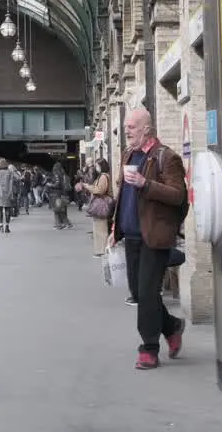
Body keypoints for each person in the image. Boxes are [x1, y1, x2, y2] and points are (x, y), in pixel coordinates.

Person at [109, 107, 187, 370]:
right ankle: (172, 326)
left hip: (153, 238)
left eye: (131, 126)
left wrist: (146, 184)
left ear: (146, 129)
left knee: (148, 292)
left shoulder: (167, 157)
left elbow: (178, 195)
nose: (127, 131)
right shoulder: (128, 155)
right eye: (126, 127)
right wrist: (114, 228)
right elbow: (123, 197)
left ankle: (149, 349)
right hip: (130, 236)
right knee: (141, 294)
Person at [78, 157, 112, 257]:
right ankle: (100, 250)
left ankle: (102, 250)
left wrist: (87, 186)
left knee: (100, 229)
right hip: (101, 203)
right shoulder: (103, 176)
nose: (96, 167)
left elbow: (99, 190)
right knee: (99, 228)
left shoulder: (103, 177)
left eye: (97, 165)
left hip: (101, 204)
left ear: (102, 166)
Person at [0, 158, 17, 233]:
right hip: (8, 193)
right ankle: (7, 227)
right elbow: (13, 182)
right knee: (7, 209)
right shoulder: (10, 172)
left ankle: (0, 226)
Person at [45, 162, 73, 229]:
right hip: (63, 194)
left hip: (57, 194)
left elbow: (57, 184)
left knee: (56, 210)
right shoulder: (63, 174)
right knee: (61, 211)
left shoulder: (56, 174)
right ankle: (67, 224)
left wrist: (50, 185)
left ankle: (58, 225)